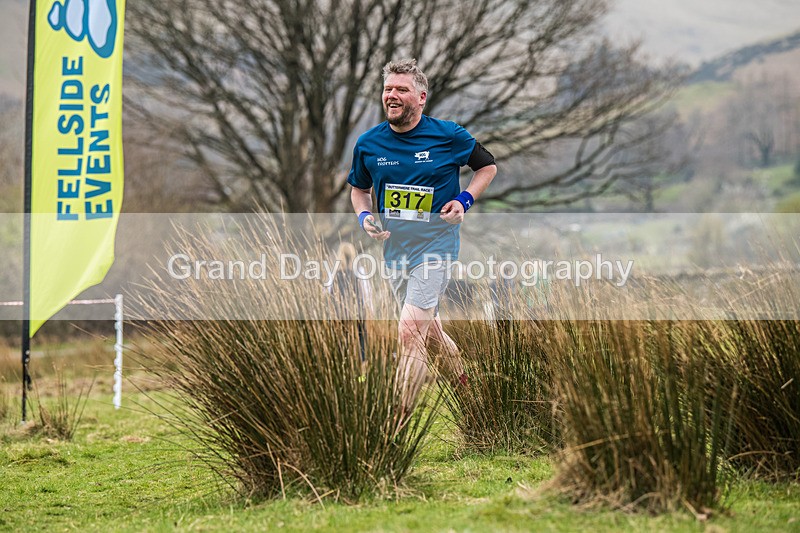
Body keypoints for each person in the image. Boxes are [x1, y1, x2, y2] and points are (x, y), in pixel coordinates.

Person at [347, 59, 497, 417]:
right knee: (430, 334)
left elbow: (487, 166)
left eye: (401, 89)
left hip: (437, 247)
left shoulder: (448, 136)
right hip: (395, 251)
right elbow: (359, 191)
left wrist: (464, 200)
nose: (392, 95)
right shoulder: (369, 144)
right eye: (388, 89)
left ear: (421, 97)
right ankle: (471, 395)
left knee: (409, 331)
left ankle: (394, 424)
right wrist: (365, 217)